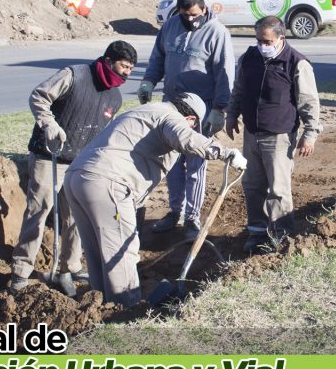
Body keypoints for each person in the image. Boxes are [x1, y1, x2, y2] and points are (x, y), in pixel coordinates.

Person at [63, 93, 246, 307]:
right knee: (122, 253)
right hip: (108, 183)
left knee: (96, 252)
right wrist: (225, 153)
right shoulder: (171, 118)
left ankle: (100, 306)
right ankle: (124, 311)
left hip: (76, 178)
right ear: (191, 120)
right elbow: (185, 138)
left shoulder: (144, 111)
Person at [10, 40, 137, 295]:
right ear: (109, 61)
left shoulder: (115, 96)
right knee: (39, 210)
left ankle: (69, 266)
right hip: (50, 155)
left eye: (131, 69)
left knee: (76, 217)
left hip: (81, 163)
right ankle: (21, 272)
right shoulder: (74, 75)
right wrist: (49, 125)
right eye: (124, 66)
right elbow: (39, 95)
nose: (127, 73)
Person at [138, 0, 234, 241]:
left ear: (203, 8)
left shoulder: (217, 33)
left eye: (193, 14)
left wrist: (219, 109)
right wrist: (148, 81)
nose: (189, 19)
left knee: (195, 161)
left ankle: (192, 217)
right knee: (171, 160)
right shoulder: (170, 26)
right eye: (184, 15)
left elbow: (225, 73)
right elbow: (158, 57)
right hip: (171, 104)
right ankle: (175, 211)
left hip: (201, 109)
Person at [226, 15, 321, 254]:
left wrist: (310, 133)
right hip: (251, 134)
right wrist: (231, 115)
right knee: (252, 185)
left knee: (278, 189)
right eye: (259, 40)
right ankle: (257, 232)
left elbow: (309, 102)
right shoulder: (249, 58)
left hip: (279, 137)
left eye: (267, 41)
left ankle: (281, 235)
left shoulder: (296, 63)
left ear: (281, 38)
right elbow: (239, 89)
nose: (262, 45)